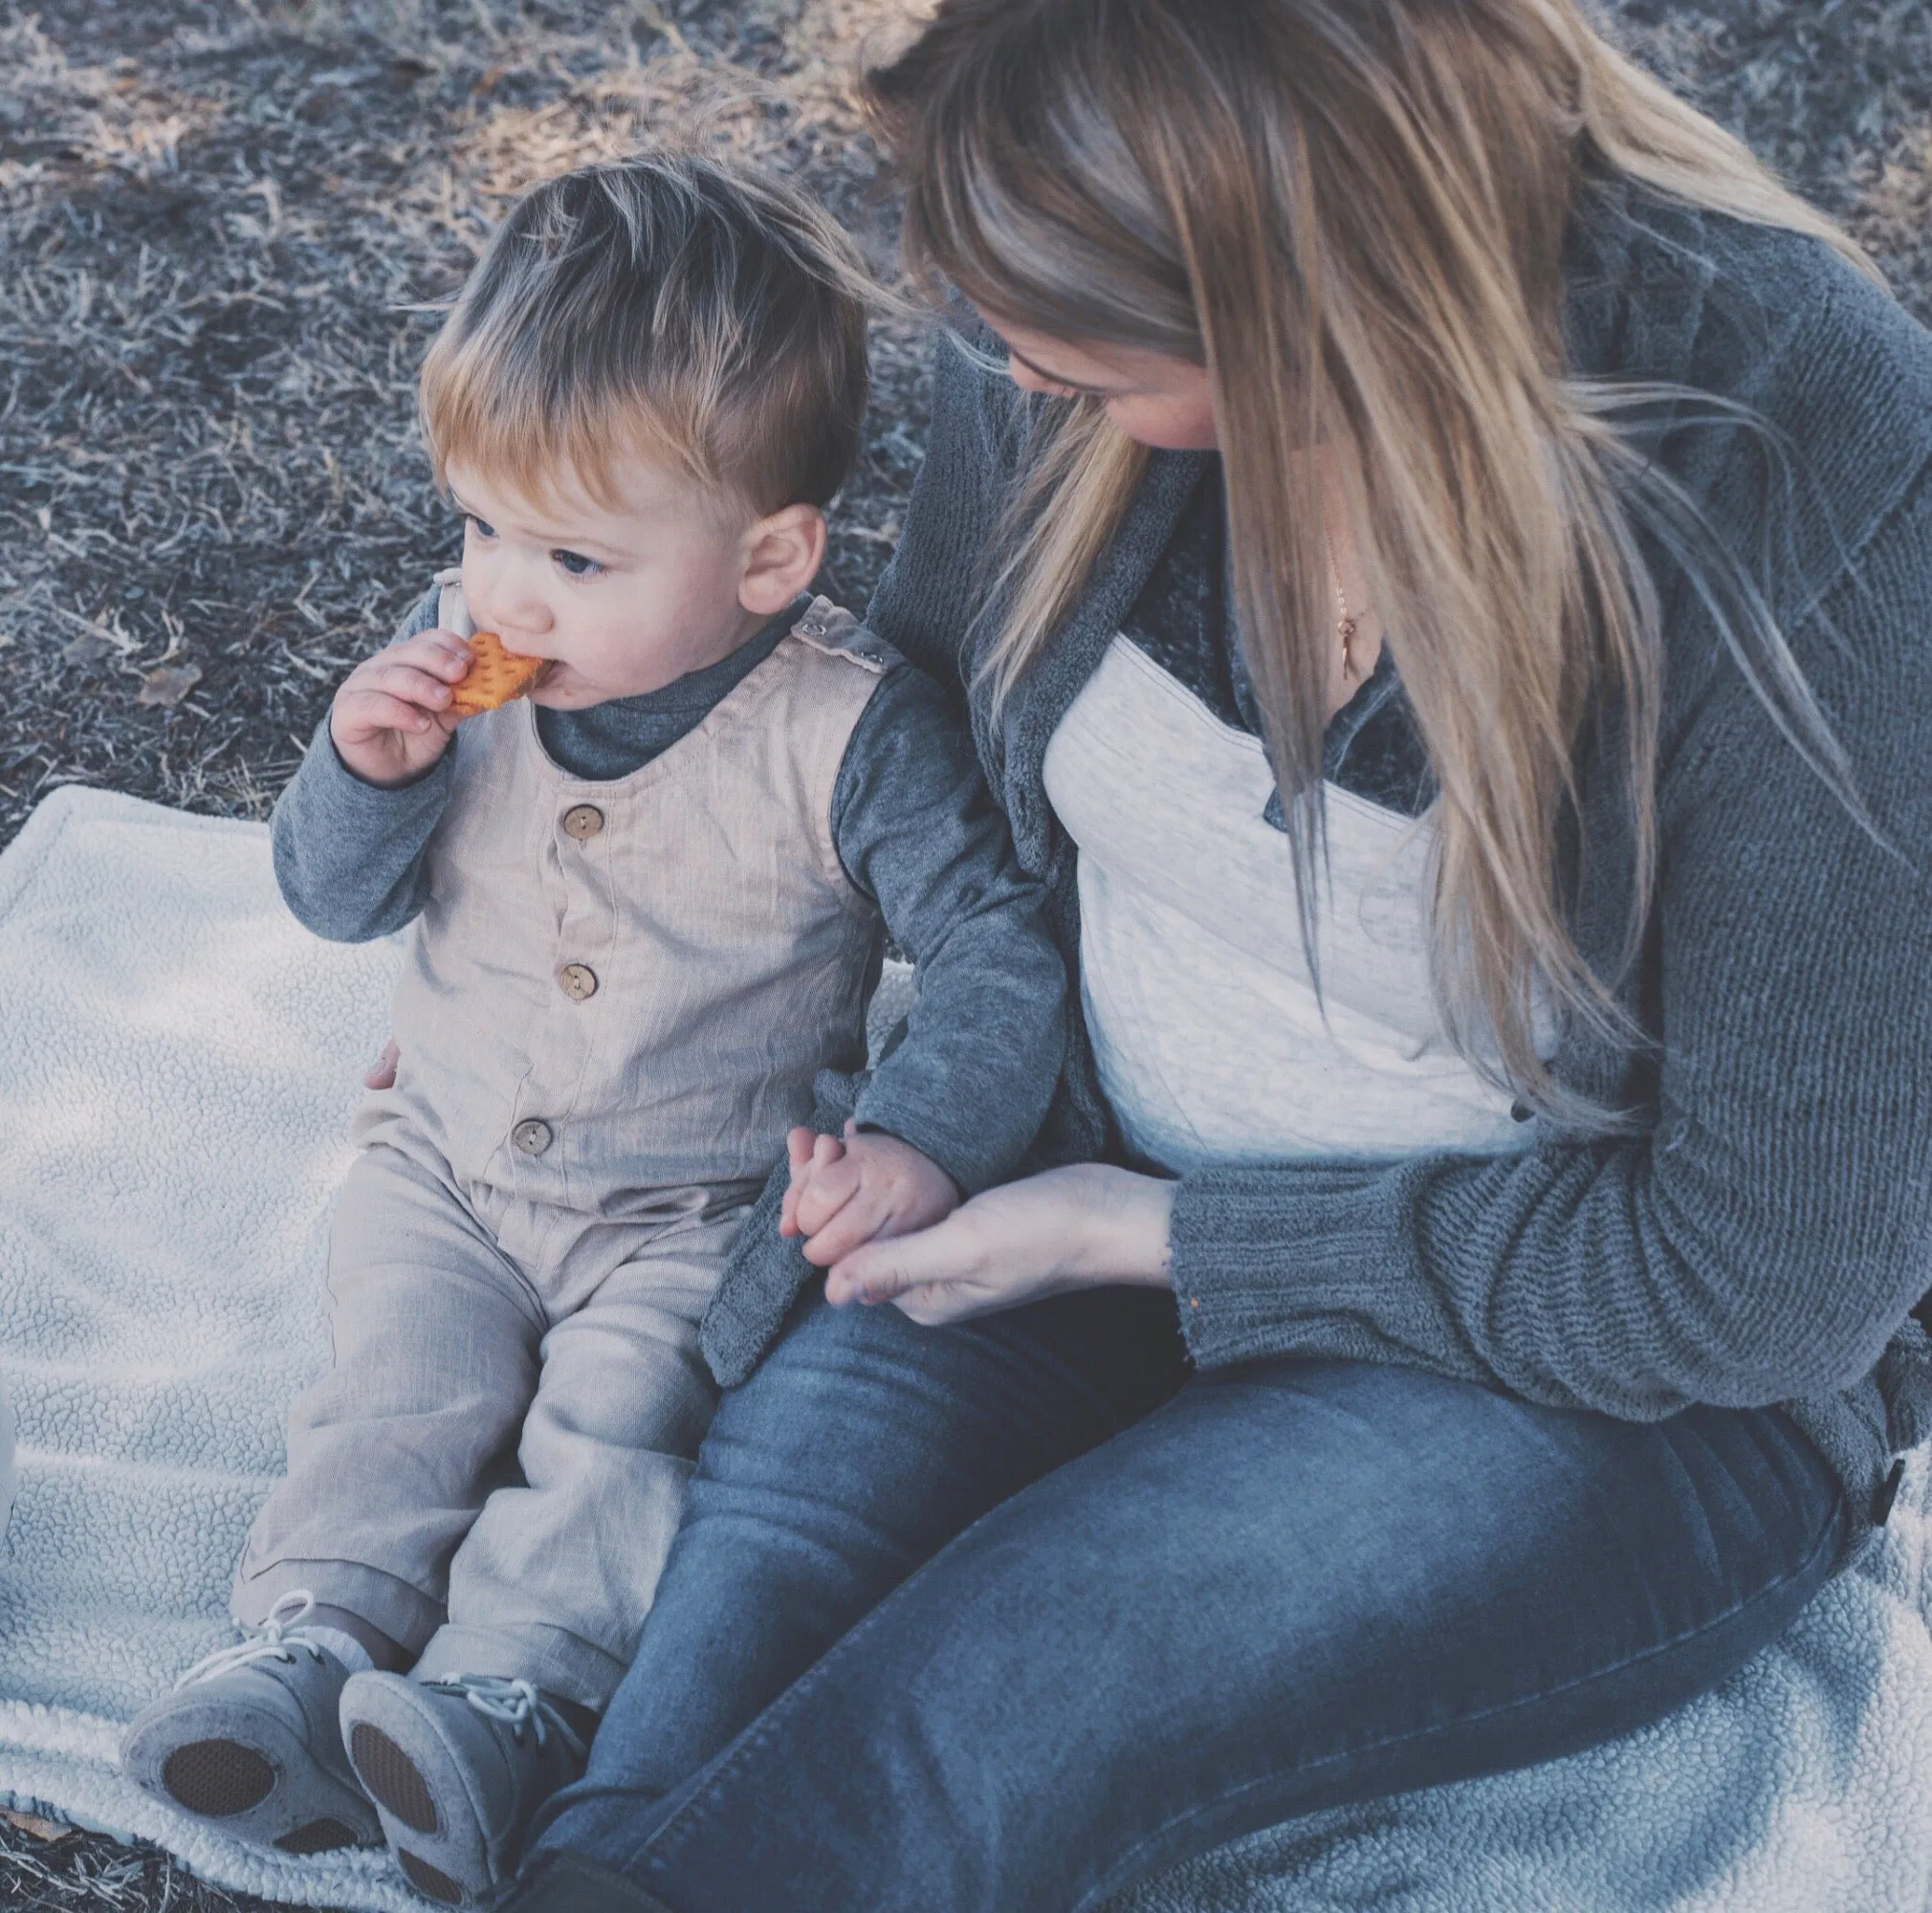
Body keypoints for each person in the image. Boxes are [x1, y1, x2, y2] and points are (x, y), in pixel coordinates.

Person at [497, 0, 1932, 1907]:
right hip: (1062, 1170)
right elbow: (915, 774)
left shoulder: (1798, 463)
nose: (981, 342)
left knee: (970, 1724)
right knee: (703, 1690)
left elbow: (1762, 1286)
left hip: (1587, 1372)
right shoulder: (1057, 294)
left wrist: (1155, 1233)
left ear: (1302, 283)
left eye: (1070, 348)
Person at [117, 150, 1068, 1907]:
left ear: (771, 556)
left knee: (622, 1429)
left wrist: (920, 1140)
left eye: (570, 552)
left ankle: (510, 1702)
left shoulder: (847, 734)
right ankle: (311, 1646)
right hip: (447, 1155)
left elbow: (1003, 949)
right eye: (478, 526)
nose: (506, 597)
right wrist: (362, 771)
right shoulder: (452, 658)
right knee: (396, 1383)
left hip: (690, 1201)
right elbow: (332, 901)